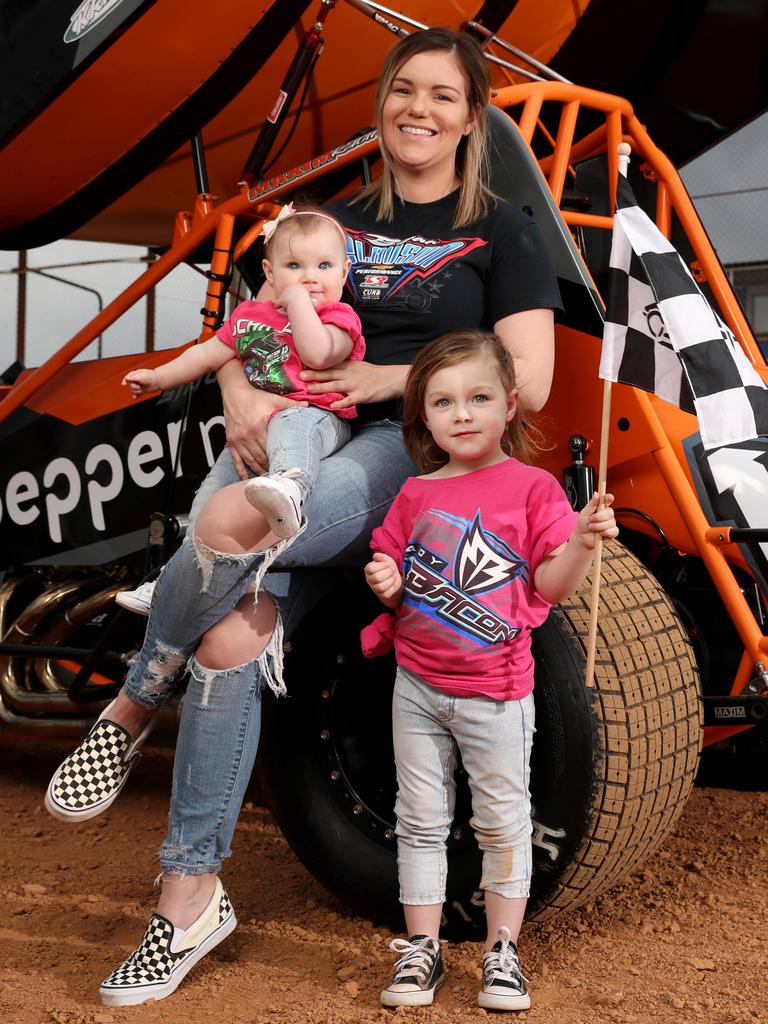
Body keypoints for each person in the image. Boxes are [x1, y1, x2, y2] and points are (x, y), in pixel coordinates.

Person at [43, 27, 563, 1008]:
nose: (419, 108)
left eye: (443, 96)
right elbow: (253, 330)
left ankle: (132, 695)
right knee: (233, 642)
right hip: (298, 438)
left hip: (402, 461)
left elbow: (525, 378)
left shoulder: (503, 231)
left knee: (239, 525)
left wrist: (386, 376)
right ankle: (187, 900)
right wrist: (240, 390)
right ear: (383, 103)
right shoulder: (331, 221)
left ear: (472, 115)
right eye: (404, 89)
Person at [363, 331, 618, 1011]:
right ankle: (422, 949)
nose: (463, 413)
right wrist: (386, 581)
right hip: (415, 686)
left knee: (503, 821)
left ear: (510, 405)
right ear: (424, 416)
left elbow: (553, 585)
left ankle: (502, 951)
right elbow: (396, 584)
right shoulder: (415, 493)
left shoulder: (533, 488)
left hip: (499, 693)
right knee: (418, 818)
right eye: (444, 402)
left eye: (478, 397)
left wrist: (583, 543)